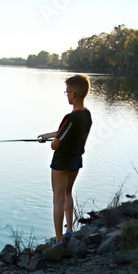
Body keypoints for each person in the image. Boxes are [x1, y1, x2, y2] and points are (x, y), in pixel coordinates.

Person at [37, 74, 92, 247]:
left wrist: (51, 141)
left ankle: (59, 240)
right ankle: (70, 231)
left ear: (73, 94)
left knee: (58, 199)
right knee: (68, 193)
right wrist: (47, 135)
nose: (66, 94)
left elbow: (55, 145)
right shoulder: (86, 115)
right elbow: (66, 132)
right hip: (76, 160)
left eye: (67, 91)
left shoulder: (70, 117)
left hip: (61, 163)